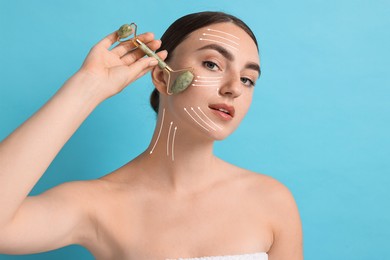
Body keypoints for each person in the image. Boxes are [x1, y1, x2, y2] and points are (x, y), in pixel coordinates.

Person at [0, 11, 302, 259]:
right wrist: (87, 88)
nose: (234, 87)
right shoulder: (96, 204)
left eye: (248, 79)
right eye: (212, 64)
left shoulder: (271, 201)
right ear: (160, 75)